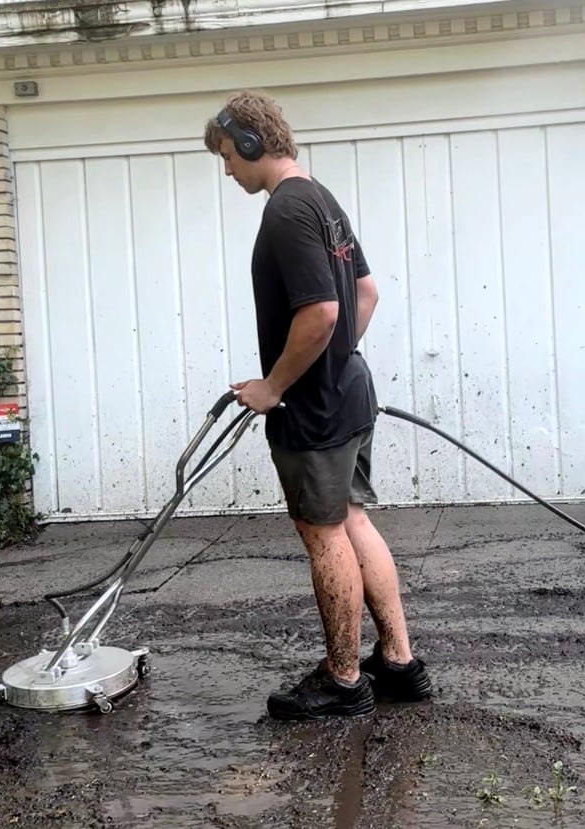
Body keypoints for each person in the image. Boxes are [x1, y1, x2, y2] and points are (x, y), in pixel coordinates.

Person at [203, 91, 432, 720]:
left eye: (227, 156)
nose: (226, 170)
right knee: (354, 520)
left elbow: (323, 311)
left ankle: (343, 677)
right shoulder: (322, 199)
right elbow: (366, 292)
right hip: (350, 395)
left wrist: (275, 386)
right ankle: (399, 663)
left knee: (325, 532)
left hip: (315, 411)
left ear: (251, 144)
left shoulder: (285, 209)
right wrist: (334, 360)